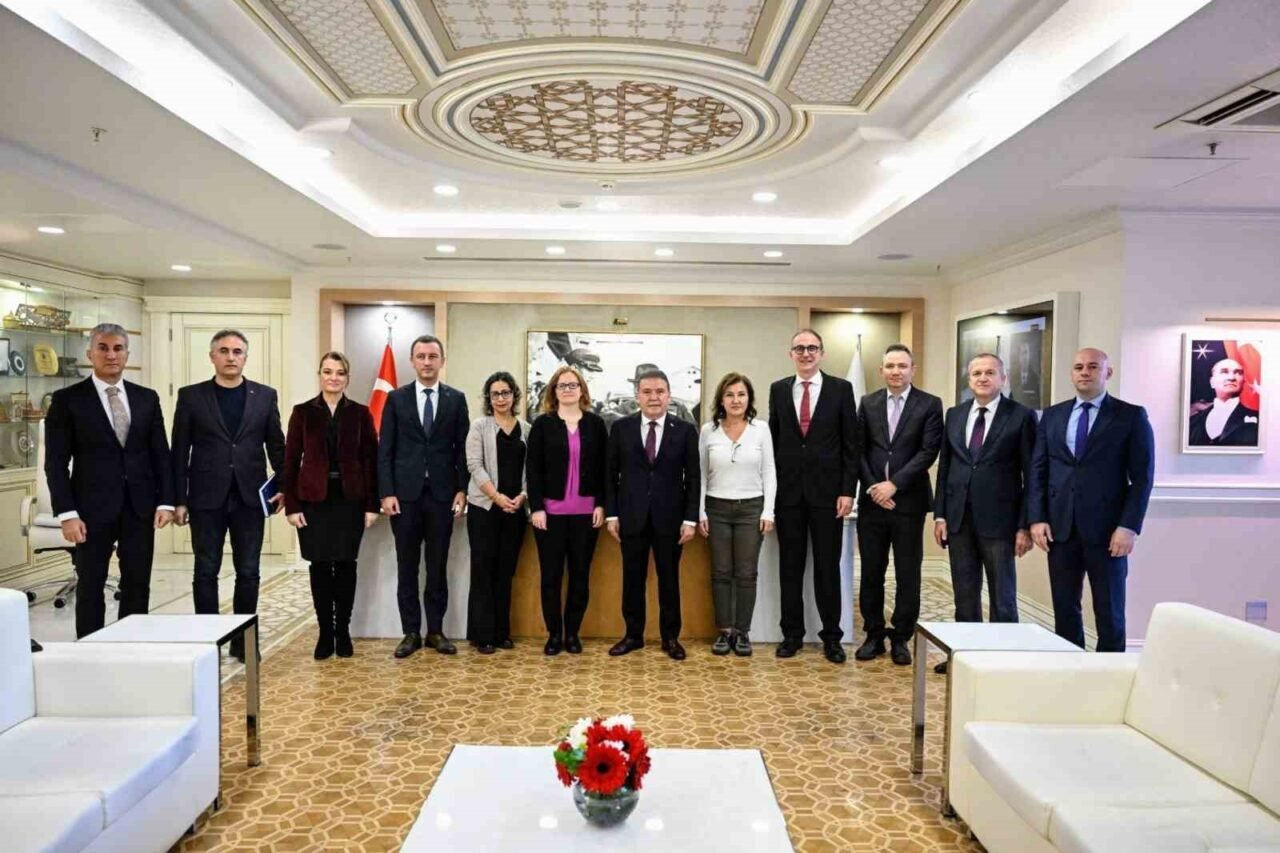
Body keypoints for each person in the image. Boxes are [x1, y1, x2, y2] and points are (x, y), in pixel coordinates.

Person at [44, 323, 174, 638]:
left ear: (127, 354)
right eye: (103, 348)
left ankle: (133, 645)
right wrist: (67, 514)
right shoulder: (67, 400)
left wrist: (166, 501)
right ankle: (91, 648)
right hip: (89, 511)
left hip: (140, 508)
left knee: (137, 583)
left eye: (118, 348)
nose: (111, 355)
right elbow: (56, 464)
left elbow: (161, 455)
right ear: (90, 354)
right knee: (90, 585)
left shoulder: (147, 399)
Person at [1029, 347, 1154, 652]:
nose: (1085, 372)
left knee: (1109, 612)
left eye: (1093, 366)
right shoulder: (1053, 415)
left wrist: (1128, 527)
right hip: (1061, 529)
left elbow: (1142, 478)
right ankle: (1070, 666)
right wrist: (1037, 517)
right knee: (1065, 608)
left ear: (1107, 372)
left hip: (1109, 532)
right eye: (1079, 367)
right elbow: (1038, 470)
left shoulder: (1130, 416)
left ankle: (1111, 671)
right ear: (1072, 373)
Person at [172, 329, 285, 661]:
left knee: (248, 572)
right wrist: (179, 498)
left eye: (237, 352)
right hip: (205, 498)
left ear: (245, 357)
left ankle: (243, 642)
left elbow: (277, 446)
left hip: (250, 498)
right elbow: (179, 451)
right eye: (224, 351)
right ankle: (207, 641)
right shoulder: (191, 397)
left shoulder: (265, 396)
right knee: (205, 570)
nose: (231, 357)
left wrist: (284, 488)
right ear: (212, 357)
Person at [932, 353, 1036, 674]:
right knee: (964, 593)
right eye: (976, 373)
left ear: (1003, 379)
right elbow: (946, 467)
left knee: (1002, 595)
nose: (982, 378)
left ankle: (1003, 659)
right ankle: (964, 657)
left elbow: (1032, 474)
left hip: (1001, 522)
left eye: (990, 372)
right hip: (958, 519)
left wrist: (1025, 525)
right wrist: (940, 515)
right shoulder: (955, 414)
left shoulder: (1021, 416)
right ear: (969, 379)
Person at [768, 329, 858, 663]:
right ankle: (791, 634)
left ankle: (832, 637)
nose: (805, 353)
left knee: (826, 568)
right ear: (790, 353)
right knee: (790, 568)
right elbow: (774, 443)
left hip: (828, 497)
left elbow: (851, 445)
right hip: (788, 495)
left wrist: (848, 490)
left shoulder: (841, 389)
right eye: (799, 348)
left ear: (821, 352)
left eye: (811, 348)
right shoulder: (779, 389)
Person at [377, 334, 469, 659]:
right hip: (405, 497)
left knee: (437, 566)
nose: (427, 362)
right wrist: (386, 492)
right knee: (407, 566)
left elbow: (462, 450)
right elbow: (385, 450)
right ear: (412, 361)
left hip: (442, 496)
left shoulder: (456, 399)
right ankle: (411, 633)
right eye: (421, 356)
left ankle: (436, 631)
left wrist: (462, 489)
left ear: (442, 360)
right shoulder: (396, 399)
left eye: (432, 356)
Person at [282, 352, 379, 660]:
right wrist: (292, 505)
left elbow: (371, 461)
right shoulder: (302, 412)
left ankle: (343, 631)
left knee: (347, 565)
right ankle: (325, 632)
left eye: (339, 373)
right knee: (321, 566)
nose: (333, 378)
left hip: (350, 500)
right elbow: (290, 461)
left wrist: (372, 505)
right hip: (313, 501)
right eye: (328, 372)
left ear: (347, 378)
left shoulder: (360, 413)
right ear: (320, 375)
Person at [855, 344, 943, 666]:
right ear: (881, 370)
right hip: (872, 503)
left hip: (909, 503)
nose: (896, 371)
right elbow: (858, 449)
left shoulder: (930, 404)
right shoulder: (868, 403)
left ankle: (901, 636)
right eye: (890, 366)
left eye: (902, 366)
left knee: (908, 572)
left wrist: (894, 485)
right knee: (871, 571)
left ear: (912, 369)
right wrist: (875, 488)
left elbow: (928, 451)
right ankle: (874, 634)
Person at [606, 368, 700, 661]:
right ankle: (633, 635)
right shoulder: (620, 428)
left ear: (669, 395)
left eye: (660, 391)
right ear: (637, 396)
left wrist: (690, 519)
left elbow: (693, 478)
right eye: (647, 392)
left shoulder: (684, 430)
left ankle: (670, 638)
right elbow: (609, 475)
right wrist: (612, 515)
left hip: (671, 520)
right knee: (632, 578)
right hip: (631, 517)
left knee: (668, 580)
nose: (654, 397)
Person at [526, 366, 607, 655]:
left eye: (573, 385)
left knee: (580, 576)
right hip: (550, 515)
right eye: (562, 386)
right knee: (550, 577)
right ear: (554, 391)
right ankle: (554, 634)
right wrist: (537, 507)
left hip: (586, 514)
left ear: (582, 390)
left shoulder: (596, 424)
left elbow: (605, 469)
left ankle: (572, 633)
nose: (568, 390)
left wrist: (601, 504)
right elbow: (533, 469)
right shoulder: (542, 425)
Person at [698, 372, 776, 657]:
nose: (735, 400)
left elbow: (769, 471)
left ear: (749, 399)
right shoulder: (708, 430)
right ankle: (724, 631)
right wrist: (700, 512)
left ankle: (742, 632)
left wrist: (768, 511)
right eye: (729, 395)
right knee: (720, 572)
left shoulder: (761, 429)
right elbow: (700, 474)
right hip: (716, 508)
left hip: (751, 509)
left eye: (741, 394)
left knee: (746, 573)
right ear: (721, 399)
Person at [464, 371, 530, 654]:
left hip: (515, 509)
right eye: (495, 394)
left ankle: (502, 632)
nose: (501, 398)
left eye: (505, 392)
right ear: (488, 398)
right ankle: (483, 634)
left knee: (505, 571)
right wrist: (497, 496)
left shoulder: (526, 429)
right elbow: (474, 465)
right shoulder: (479, 426)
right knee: (483, 570)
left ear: (514, 395)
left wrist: (523, 496)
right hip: (485, 508)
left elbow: (532, 469)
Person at [1189, 357, 1259, 446]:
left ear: (1243, 382)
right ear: (1212, 382)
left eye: (1238, 373)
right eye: (1224, 372)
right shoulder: (1193, 421)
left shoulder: (1259, 420)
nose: (1231, 377)